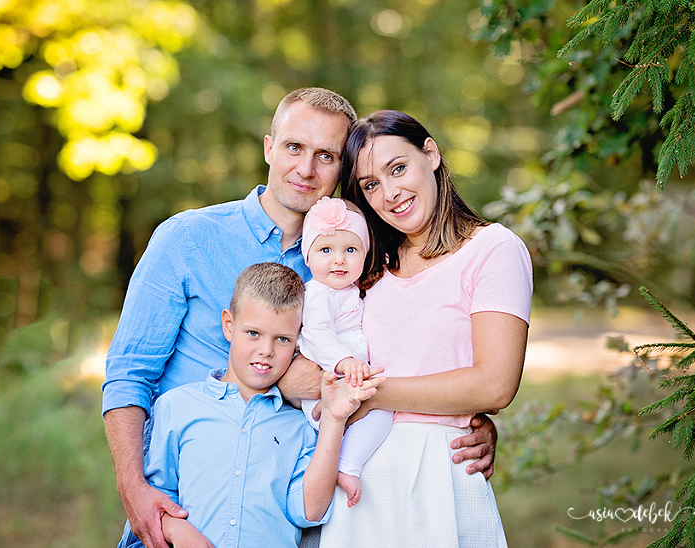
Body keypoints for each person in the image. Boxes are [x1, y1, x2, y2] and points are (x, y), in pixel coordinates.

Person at [102, 88, 497, 548]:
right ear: (269, 147)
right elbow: (129, 375)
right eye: (294, 147)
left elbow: (407, 356)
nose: (306, 169)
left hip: (297, 525)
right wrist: (134, 488)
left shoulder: (355, 263)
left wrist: (471, 422)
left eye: (326, 156)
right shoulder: (187, 239)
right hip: (188, 517)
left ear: (341, 169)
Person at [314, 110, 534, 548]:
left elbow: (494, 385)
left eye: (398, 168)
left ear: (430, 153)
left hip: (438, 471)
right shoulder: (366, 264)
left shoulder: (493, 250)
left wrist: (368, 396)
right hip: (355, 476)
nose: (391, 193)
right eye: (371, 185)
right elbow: (314, 347)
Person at [143, 263, 384, 548]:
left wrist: (332, 419)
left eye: (282, 339)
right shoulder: (178, 406)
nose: (266, 351)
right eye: (253, 333)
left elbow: (310, 511)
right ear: (229, 325)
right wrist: (175, 528)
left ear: (298, 343)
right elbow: (159, 494)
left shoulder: (300, 425)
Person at [297, 197, 393, 507]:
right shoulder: (317, 293)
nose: (339, 260)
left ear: (365, 255)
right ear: (308, 257)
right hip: (327, 384)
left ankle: (344, 462)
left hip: (349, 379)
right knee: (381, 414)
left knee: (381, 414)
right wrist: (344, 361)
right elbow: (316, 333)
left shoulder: (353, 290)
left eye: (350, 250)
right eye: (326, 250)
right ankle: (346, 467)